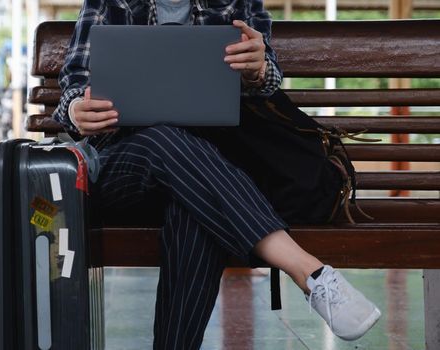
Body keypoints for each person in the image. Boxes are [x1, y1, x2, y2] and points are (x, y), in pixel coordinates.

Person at [52, 0, 382, 348]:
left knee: (191, 207)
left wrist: (257, 69)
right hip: (123, 169)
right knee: (164, 141)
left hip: (204, 177)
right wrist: (76, 109)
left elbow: (267, 76)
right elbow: (74, 82)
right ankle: (309, 271)